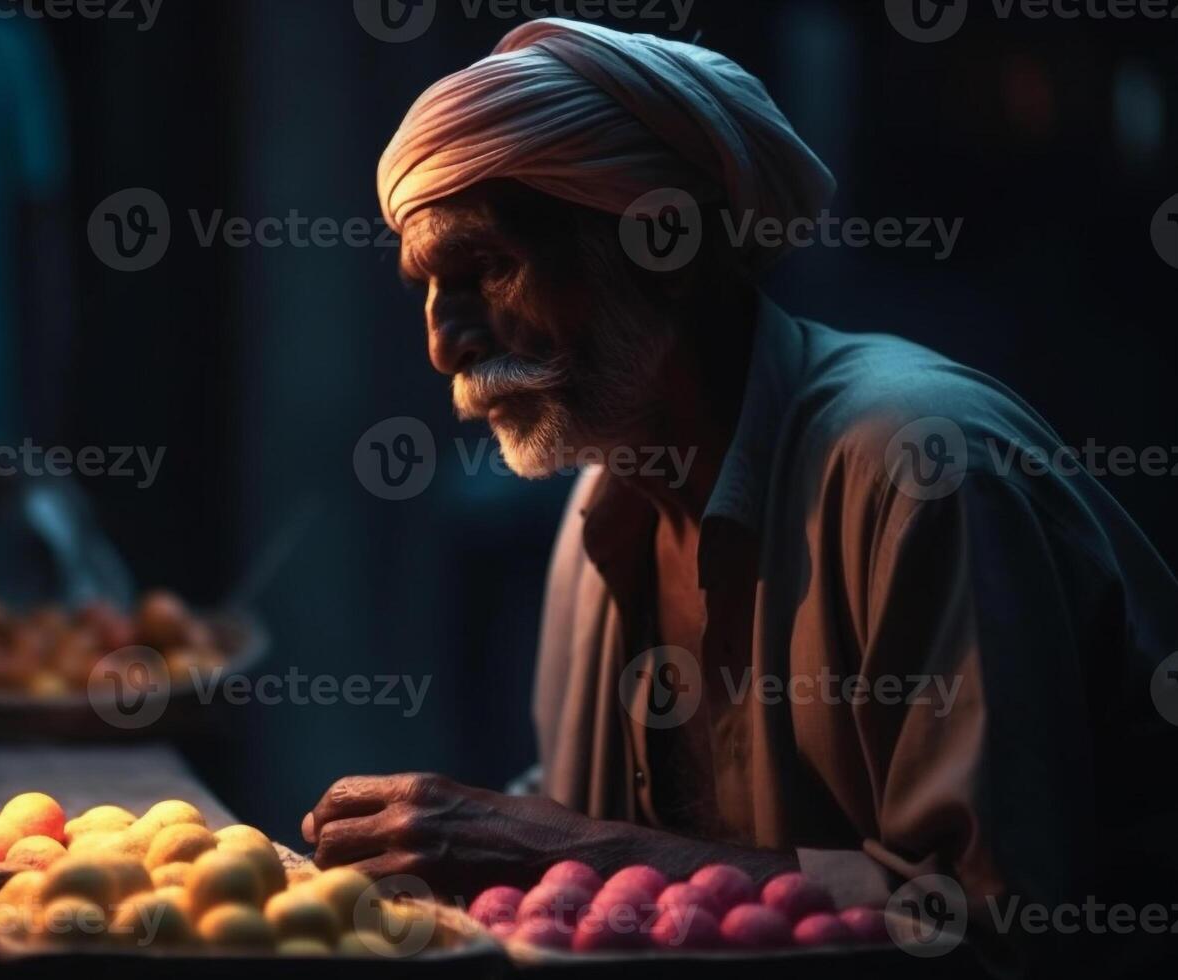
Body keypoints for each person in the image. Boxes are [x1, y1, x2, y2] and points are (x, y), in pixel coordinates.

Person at [304, 19, 1178, 970]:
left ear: (666, 240)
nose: (444, 344)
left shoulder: (921, 467)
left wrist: (542, 842)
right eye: (426, 289)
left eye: (483, 269)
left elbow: (989, 923)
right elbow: (595, 854)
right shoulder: (602, 509)